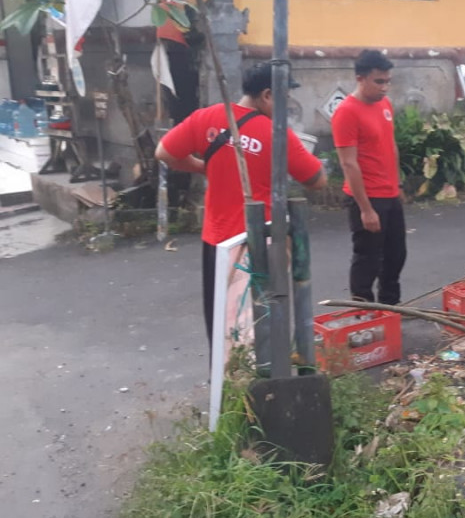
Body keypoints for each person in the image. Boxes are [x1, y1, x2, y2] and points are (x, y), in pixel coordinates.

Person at [155, 61, 326, 349]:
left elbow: (164, 152)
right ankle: (261, 385)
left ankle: (224, 387)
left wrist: (204, 167)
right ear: (268, 95)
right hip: (260, 243)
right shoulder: (277, 134)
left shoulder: (205, 118)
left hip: (216, 243)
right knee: (261, 324)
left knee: (222, 322)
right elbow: (317, 180)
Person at [332, 49, 406, 304]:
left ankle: (391, 307)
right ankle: (361, 310)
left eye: (388, 81)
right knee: (368, 258)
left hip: (389, 193)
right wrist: (365, 209)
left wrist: (397, 183)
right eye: (379, 82)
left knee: (396, 254)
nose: (385, 88)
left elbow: (391, 145)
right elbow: (348, 163)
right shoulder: (347, 112)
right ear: (360, 78)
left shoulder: (384, 104)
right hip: (366, 196)